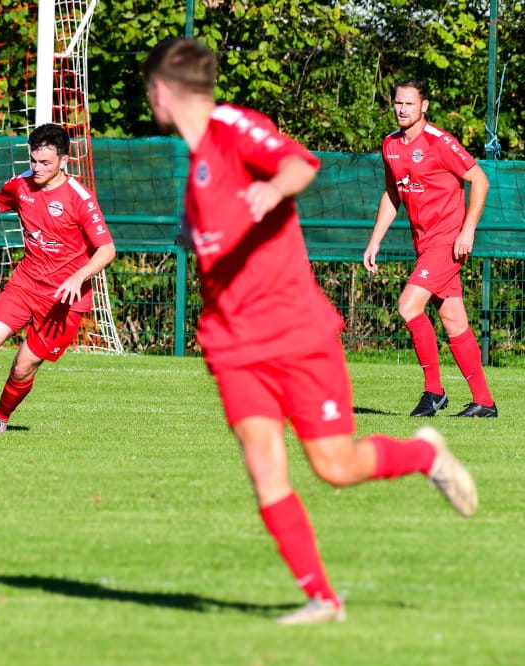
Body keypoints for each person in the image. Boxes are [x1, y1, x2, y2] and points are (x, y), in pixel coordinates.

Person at [142, 38, 477, 625]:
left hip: (295, 330)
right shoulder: (194, 169)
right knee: (264, 463)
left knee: (335, 466)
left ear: (162, 91)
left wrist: (272, 188)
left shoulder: (232, 128)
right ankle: (323, 599)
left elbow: (300, 164)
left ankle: (425, 454)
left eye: (149, 90)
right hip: (233, 342)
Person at [0, 123, 115, 434]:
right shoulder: (22, 184)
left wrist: (78, 277)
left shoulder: (80, 198)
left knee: (23, 367)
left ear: (64, 160)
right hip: (24, 286)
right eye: (33, 160)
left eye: (45, 162)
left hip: (63, 302)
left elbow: (107, 250)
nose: (37, 168)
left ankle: (0, 418)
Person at [363, 80, 497, 418]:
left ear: (424, 106)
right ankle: (484, 402)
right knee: (453, 320)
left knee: (408, 306)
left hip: (448, 241)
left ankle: (434, 392)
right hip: (424, 244)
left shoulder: (440, 142)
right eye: (398, 103)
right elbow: (392, 193)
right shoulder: (390, 145)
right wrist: (375, 240)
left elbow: (480, 180)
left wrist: (467, 230)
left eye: (409, 103)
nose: (402, 109)